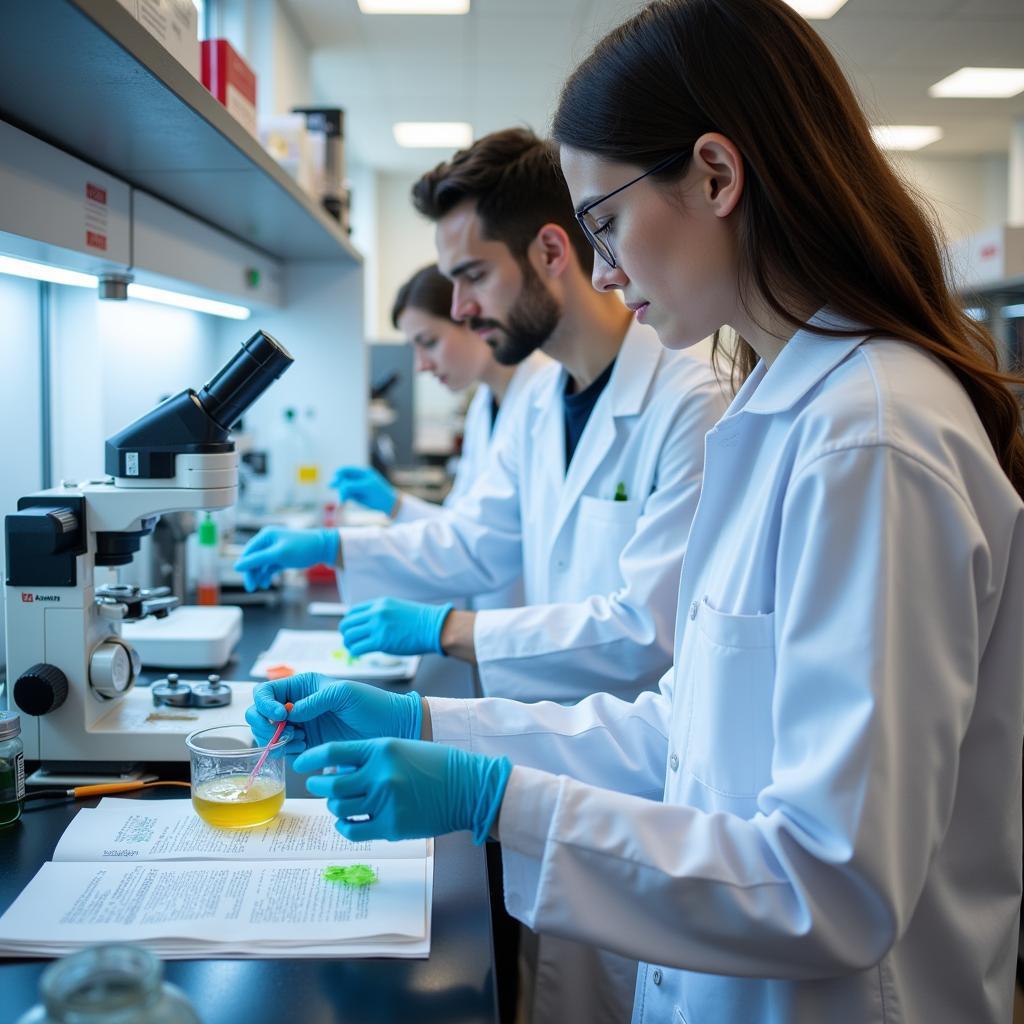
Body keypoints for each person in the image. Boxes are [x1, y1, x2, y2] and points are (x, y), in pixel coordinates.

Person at [248, 2, 1024, 1022]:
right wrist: (435, 721)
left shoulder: (868, 438)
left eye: (604, 221)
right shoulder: (782, 405)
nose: (603, 268)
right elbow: (688, 735)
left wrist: (495, 800)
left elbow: (828, 883)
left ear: (715, 174)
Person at [236, 127, 725, 708]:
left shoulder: (694, 406)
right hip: (552, 736)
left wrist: (449, 631)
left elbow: (649, 630)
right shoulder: (539, 401)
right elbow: (477, 542)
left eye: (473, 277)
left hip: (640, 768)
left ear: (550, 252)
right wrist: (334, 547)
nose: (462, 308)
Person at [332, 263, 550, 611]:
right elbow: (465, 530)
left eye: (429, 343)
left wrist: (338, 546)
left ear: (472, 320)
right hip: (492, 618)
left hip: (527, 619)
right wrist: (396, 504)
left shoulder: (542, 399)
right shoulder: (483, 405)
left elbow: (484, 544)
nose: (420, 365)